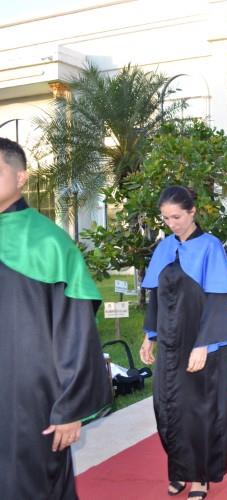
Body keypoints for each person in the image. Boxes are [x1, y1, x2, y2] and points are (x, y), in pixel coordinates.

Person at [0, 137, 112, 499]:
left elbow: (76, 332)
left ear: (21, 177)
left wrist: (71, 407)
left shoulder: (50, 243)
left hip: (30, 399)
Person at [140, 186, 227, 499]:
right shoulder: (164, 247)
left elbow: (217, 300)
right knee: (166, 408)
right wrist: (149, 335)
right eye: (166, 218)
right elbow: (156, 295)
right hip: (169, 344)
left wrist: (203, 345)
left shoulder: (210, 247)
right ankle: (179, 469)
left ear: (192, 212)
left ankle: (199, 477)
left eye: (177, 217)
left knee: (199, 411)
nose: (172, 224)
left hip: (200, 342)